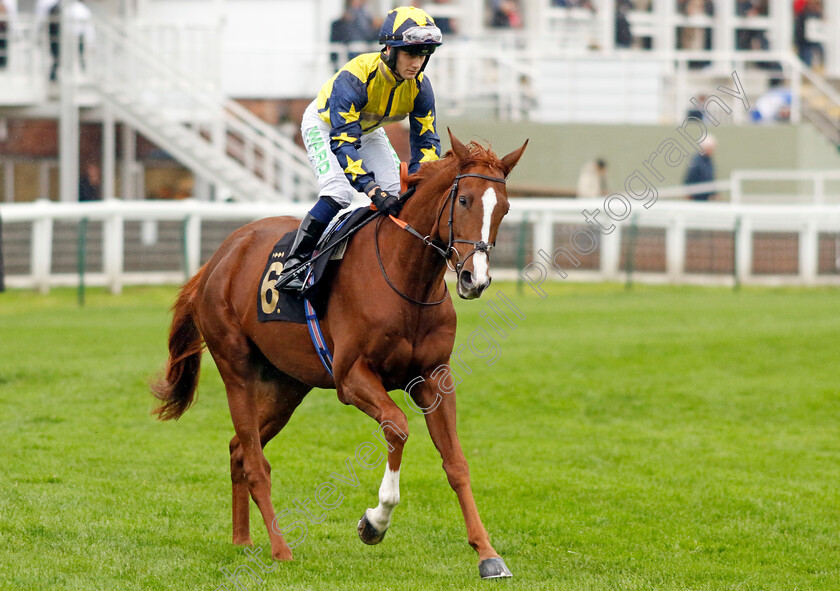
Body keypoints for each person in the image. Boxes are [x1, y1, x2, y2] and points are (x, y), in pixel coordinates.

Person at [276, 6, 443, 291]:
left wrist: (421, 181)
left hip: (367, 130)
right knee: (338, 192)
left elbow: (427, 143)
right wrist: (370, 188)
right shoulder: (354, 78)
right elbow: (343, 142)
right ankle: (295, 264)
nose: (417, 63)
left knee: (398, 194)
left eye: (423, 55)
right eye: (411, 54)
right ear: (389, 50)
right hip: (327, 126)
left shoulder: (420, 88)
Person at [684, 135, 716, 201]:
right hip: (696, 197)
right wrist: (689, 194)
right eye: (710, 148)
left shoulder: (709, 161)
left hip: (706, 197)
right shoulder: (696, 161)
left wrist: (713, 193)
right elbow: (689, 178)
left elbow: (710, 178)